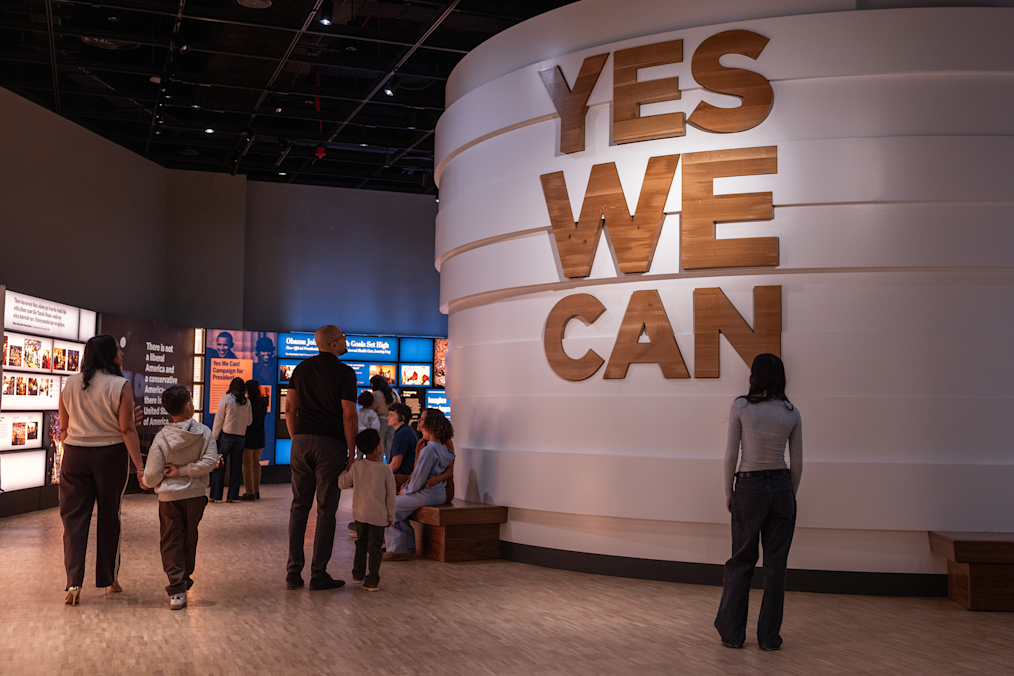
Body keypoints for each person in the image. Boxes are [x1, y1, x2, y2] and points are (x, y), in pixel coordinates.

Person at [714, 353, 803, 652]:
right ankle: (768, 638)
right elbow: (798, 463)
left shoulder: (741, 406)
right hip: (781, 487)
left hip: (749, 486)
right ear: (781, 377)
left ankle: (732, 634)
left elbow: (731, 454)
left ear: (755, 376)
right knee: (776, 567)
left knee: (741, 562)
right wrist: (789, 494)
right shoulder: (791, 412)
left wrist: (728, 492)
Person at [58, 335, 145, 605]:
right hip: (109, 455)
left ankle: (73, 584)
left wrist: (77, 444)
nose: (122, 354)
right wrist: (140, 468)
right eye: (118, 350)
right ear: (109, 355)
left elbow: (63, 427)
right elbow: (127, 429)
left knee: (73, 520)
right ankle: (109, 578)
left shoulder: (70, 382)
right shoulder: (120, 384)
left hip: (74, 455)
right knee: (110, 516)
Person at [285, 325, 358, 591]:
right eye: (343, 339)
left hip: (301, 441)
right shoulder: (345, 373)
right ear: (334, 344)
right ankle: (318, 574)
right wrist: (352, 450)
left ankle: (293, 573)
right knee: (326, 509)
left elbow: (290, 407)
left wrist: (297, 438)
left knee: (298, 506)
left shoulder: (301, 369)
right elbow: (348, 414)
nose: (346, 341)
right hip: (330, 444)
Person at [141, 385, 218, 610]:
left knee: (170, 539)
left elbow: (154, 474)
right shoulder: (204, 432)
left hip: (168, 498)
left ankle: (177, 588)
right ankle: (184, 577)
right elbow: (211, 462)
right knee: (189, 536)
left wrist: (147, 481)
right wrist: (186, 471)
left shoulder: (162, 437)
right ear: (188, 406)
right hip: (195, 496)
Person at [384, 412, 456, 560]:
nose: (420, 427)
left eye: (424, 424)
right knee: (398, 508)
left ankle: (398, 549)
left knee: (388, 507)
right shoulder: (444, 449)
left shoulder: (429, 449)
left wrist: (407, 490)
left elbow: (419, 478)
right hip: (438, 493)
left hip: (426, 494)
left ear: (432, 427)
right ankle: (408, 546)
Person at [338, 428, 396, 591]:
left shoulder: (357, 467)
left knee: (361, 543)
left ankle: (357, 573)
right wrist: (391, 515)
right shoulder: (385, 469)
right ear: (379, 447)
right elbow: (391, 496)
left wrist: (343, 470)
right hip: (378, 516)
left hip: (360, 514)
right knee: (375, 548)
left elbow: (342, 484)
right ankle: (372, 579)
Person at [210, 377, 252, 503]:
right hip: (241, 437)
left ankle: (215, 496)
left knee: (220, 465)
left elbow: (218, 421)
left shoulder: (226, 399)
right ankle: (232, 496)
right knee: (236, 467)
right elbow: (249, 422)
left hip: (226, 436)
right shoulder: (247, 402)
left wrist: (214, 438)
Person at [418, 408, 455, 504]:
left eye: (422, 419)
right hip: (424, 484)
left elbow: (450, 470)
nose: (419, 421)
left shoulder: (444, 442)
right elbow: (416, 470)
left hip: (439, 488)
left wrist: (436, 479)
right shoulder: (421, 443)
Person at [242, 380, 268, 500]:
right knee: (256, 463)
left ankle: (250, 492)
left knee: (247, 464)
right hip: (260, 435)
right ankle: (256, 491)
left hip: (249, 435)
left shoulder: (247, 402)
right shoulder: (263, 401)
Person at [369, 374, 399, 460]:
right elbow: (399, 405)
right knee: (390, 448)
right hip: (393, 422)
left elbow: (371, 410)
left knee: (379, 448)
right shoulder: (393, 392)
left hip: (379, 423)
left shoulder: (376, 394)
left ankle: (381, 469)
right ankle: (391, 469)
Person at [386, 402, 417, 487]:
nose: (388, 417)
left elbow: (395, 465)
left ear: (401, 418)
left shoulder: (402, 434)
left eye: (391, 415)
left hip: (403, 477)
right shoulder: (407, 430)